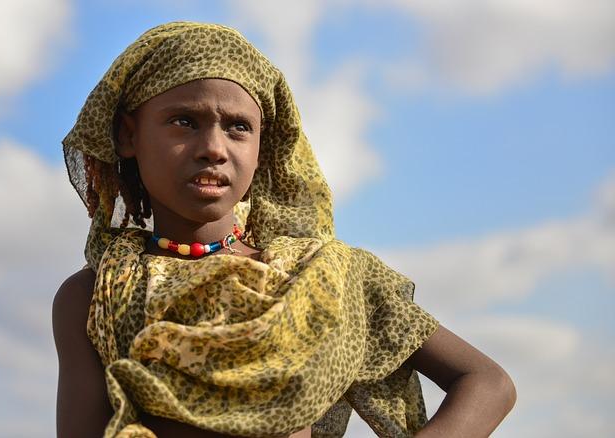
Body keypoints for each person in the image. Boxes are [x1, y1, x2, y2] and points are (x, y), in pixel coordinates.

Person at [52, 22, 516, 438]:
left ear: (262, 148)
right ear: (128, 135)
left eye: (238, 127)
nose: (213, 148)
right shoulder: (96, 296)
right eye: (184, 121)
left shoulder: (320, 278)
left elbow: (487, 383)